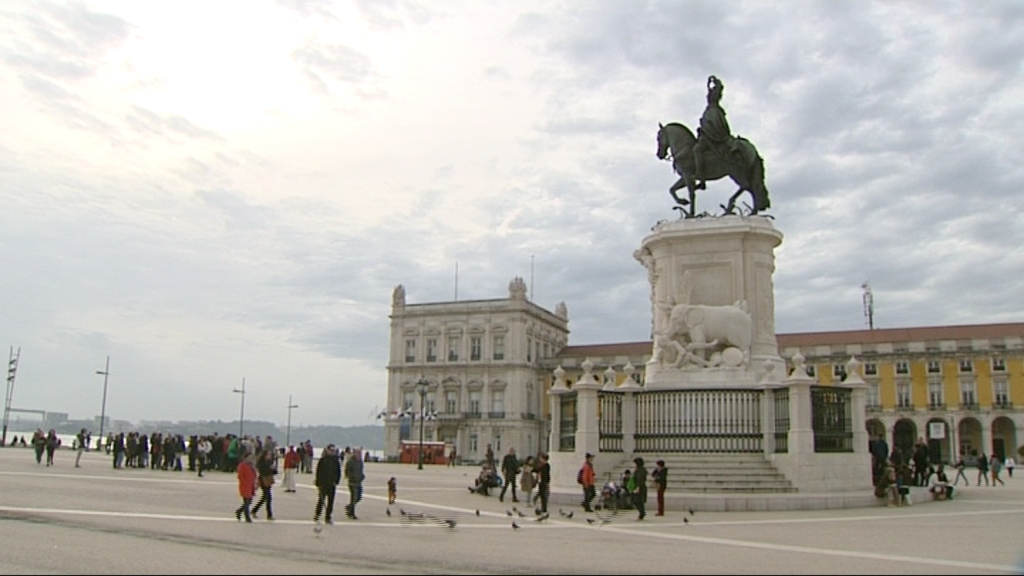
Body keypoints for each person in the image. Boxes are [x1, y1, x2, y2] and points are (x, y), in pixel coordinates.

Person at [693, 75, 738, 187]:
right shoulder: (711, 107)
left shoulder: (714, 109)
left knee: (697, 149)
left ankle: (700, 175)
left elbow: (719, 87)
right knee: (697, 148)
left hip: (712, 120)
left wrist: (714, 81)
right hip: (709, 116)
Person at [314, 444, 341, 525]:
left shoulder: (336, 460)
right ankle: (317, 515)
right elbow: (318, 472)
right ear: (327, 450)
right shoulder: (323, 460)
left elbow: (338, 472)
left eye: (334, 451)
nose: (333, 452)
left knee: (331, 501)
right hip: (323, 483)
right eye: (331, 450)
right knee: (321, 500)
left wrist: (336, 481)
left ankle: (328, 517)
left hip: (332, 484)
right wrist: (318, 482)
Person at [251, 449, 276, 520]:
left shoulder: (268, 462)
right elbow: (263, 472)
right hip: (263, 480)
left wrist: (273, 469)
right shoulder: (261, 463)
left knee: (265, 497)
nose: (269, 456)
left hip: (268, 480)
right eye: (268, 455)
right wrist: (270, 469)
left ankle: (254, 510)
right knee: (268, 497)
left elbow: (274, 471)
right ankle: (269, 515)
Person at [234, 451, 257, 522]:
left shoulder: (252, 466)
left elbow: (254, 475)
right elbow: (240, 476)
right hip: (245, 485)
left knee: (249, 501)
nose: (251, 459)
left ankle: (239, 511)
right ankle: (247, 517)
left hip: (250, 485)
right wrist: (245, 483)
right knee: (247, 501)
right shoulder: (242, 465)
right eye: (249, 457)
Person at [344, 447, 365, 520]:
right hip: (352, 483)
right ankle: (352, 513)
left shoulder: (360, 462)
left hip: (359, 482)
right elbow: (347, 471)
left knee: (359, 497)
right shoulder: (350, 462)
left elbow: (361, 470)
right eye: (358, 453)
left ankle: (349, 507)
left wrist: (362, 476)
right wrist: (351, 477)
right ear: (354, 453)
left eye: (360, 453)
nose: (359, 454)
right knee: (353, 498)